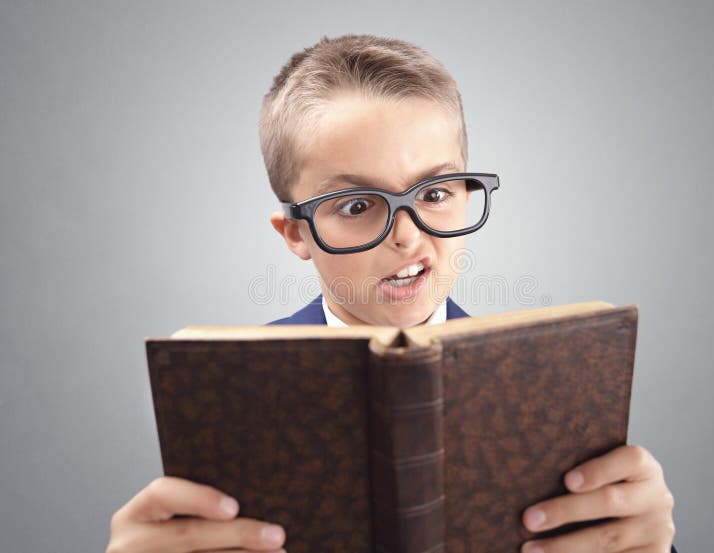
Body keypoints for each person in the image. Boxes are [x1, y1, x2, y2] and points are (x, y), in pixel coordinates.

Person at [107, 35, 676, 553]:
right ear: (296, 234)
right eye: (356, 206)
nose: (408, 235)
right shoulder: (222, 399)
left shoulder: (548, 387)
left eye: (434, 193)